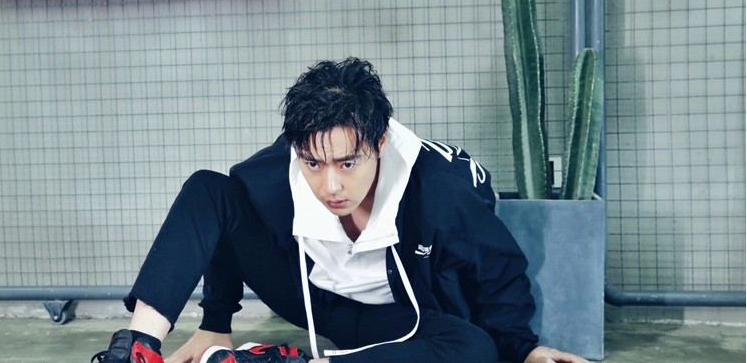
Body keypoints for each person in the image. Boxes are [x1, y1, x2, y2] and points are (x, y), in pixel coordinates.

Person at [92, 58, 590, 363]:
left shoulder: (441, 190)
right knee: (208, 188)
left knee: (476, 349)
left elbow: (500, 271)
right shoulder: (278, 171)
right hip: (312, 298)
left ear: (380, 142)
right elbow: (225, 221)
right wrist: (215, 321)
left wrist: (524, 349)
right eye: (313, 163)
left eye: (348, 163)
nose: (330, 186)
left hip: (399, 318)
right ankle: (137, 349)